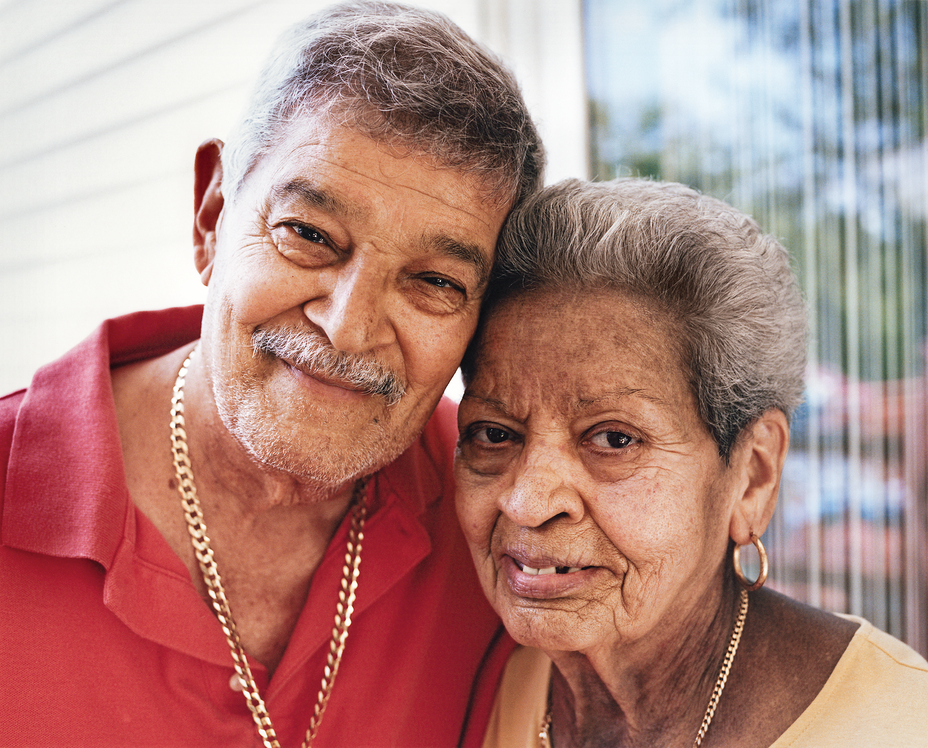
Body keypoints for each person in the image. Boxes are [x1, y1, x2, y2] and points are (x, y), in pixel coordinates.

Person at [0, 3, 543, 746]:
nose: (348, 327)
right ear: (212, 215)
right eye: (310, 235)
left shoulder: (511, 520)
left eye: (436, 282)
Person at [455, 178, 928, 748]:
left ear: (753, 476)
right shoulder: (495, 687)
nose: (526, 502)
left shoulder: (900, 725)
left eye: (613, 439)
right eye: (493, 433)